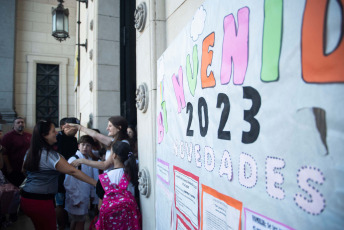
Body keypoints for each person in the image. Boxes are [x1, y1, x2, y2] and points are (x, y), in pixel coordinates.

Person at [20, 120, 97, 230]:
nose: (56, 133)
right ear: (44, 136)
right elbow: (73, 171)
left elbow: (23, 170)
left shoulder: (31, 151)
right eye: (53, 131)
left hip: (27, 199)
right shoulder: (50, 156)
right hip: (41, 202)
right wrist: (96, 183)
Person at [95, 141, 141, 230]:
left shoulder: (104, 178)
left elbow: (100, 207)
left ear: (114, 155)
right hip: (130, 224)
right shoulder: (133, 175)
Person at [66, 116, 131, 172]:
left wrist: (82, 161)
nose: (107, 128)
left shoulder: (121, 144)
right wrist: (79, 127)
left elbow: (105, 165)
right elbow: (95, 134)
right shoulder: (116, 141)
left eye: (110, 126)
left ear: (119, 128)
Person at [64, 135, 95, 230]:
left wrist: (92, 195)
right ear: (78, 146)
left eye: (88, 145)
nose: (85, 147)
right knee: (80, 222)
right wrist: (75, 199)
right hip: (77, 198)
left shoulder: (89, 160)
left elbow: (90, 179)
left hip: (84, 197)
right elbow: (68, 183)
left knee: (77, 220)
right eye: (83, 145)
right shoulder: (74, 160)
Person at [55, 117, 80, 230]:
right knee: (60, 202)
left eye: (76, 128)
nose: (75, 130)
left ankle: (69, 223)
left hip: (72, 174)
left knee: (70, 200)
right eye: (73, 127)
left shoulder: (74, 140)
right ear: (64, 127)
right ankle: (61, 225)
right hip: (59, 176)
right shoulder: (57, 138)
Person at [2, 117, 31, 187]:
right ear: (13, 125)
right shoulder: (8, 136)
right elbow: (4, 153)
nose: (21, 124)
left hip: (27, 168)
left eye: (22, 122)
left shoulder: (29, 135)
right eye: (18, 122)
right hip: (14, 168)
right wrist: (9, 167)